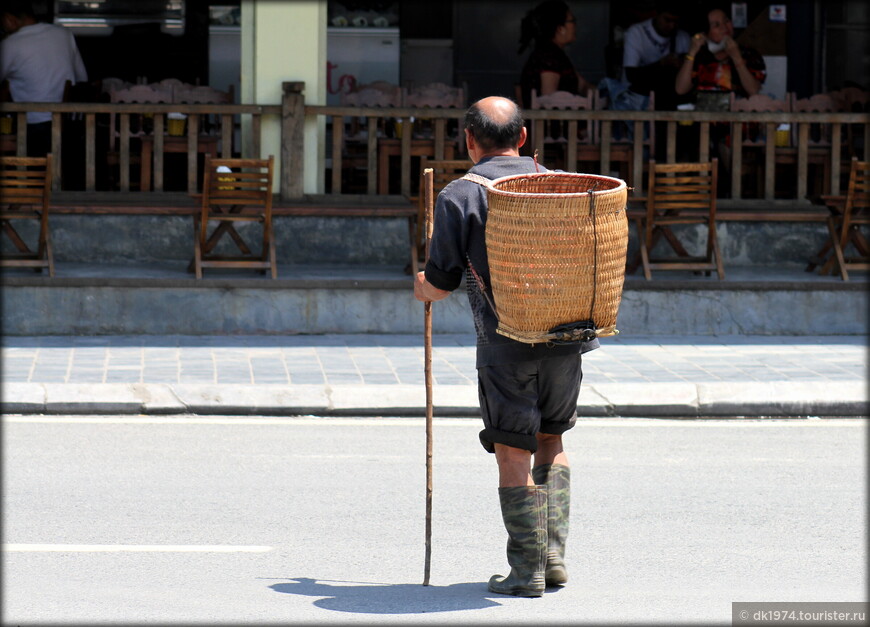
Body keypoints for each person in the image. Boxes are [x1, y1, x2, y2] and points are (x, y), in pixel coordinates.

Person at [414, 96, 599, 597]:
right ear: (523, 138)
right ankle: (553, 559)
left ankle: (526, 570)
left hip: (505, 347)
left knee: (511, 450)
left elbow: (441, 281)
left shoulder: (460, 195)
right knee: (552, 440)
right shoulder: (560, 185)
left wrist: (421, 285)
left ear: (470, 142)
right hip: (567, 340)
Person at [0, 0, 88, 157]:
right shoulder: (64, 34)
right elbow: (82, 78)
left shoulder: (10, 44)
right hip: (70, 125)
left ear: (9, 19)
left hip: (34, 128)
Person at [675, 6, 765, 112]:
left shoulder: (749, 54)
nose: (724, 28)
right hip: (705, 124)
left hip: (738, 124)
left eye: (726, 21)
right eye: (716, 25)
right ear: (705, 34)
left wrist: (736, 57)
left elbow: (754, 91)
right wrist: (692, 52)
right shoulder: (701, 57)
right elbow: (680, 89)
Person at [518, 0, 593, 109]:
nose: (575, 26)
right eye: (572, 21)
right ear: (560, 28)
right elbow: (549, 100)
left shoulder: (557, 55)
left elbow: (583, 85)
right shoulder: (548, 57)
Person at [621, 1, 691, 110]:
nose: (672, 26)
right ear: (656, 14)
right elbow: (631, 75)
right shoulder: (636, 33)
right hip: (637, 96)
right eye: (667, 20)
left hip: (670, 97)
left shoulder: (683, 37)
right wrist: (662, 64)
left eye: (675, 21)